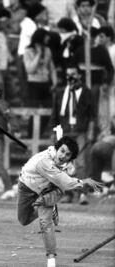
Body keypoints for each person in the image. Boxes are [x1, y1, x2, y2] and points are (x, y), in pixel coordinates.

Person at [17, 136, 103, 267]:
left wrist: (68, 169)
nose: (63, 156)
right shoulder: (43, 161)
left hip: (48, 190)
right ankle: (49, 206)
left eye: (68, 154)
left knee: (45, 222)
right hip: (27, 188)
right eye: (62, 151)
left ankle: (51, 260)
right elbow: (64, 181)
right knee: (23, 220)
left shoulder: (64, 162)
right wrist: (83, 182)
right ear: (56, 149)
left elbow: (67, 176)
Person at [49, 65, 95, 204]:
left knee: (80, 163)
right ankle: (68, 194)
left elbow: (92, 114)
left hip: (80, 130)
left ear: (79, 76)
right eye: (68, 74)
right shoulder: (60, 92)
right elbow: (55, 114)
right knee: (64, 164)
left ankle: (82, 194)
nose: (71, 77)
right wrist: (54, 133)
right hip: (65, 131)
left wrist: (91, 131)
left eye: (73, 74)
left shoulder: (86, 92)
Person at [23, 28, 57, 107]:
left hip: (45, 82)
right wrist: (38, 54)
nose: (48, 38)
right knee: (33, 107)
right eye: (46, 36)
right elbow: (30, 69)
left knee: (48, 107)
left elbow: (52, 68)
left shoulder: (48, 50)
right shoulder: (28, 51)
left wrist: (54, 82)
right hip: (33, 83)